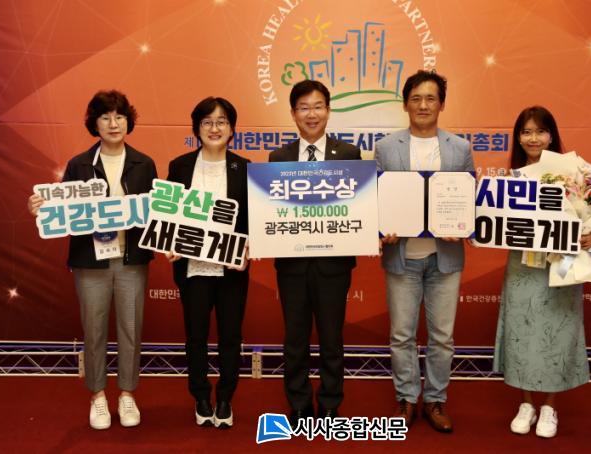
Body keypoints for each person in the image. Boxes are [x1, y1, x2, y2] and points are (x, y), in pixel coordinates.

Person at [27, 90, 157, 430]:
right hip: (90, 261)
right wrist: (42, 208)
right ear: (94, 124)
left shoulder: (144, 163)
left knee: (131, 329)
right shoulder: (79, 164)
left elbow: (156, 212)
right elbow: (62, 209)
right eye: (105, 117)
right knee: (94, 330)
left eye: (120, 117)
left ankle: (127, 394)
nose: (113, 124)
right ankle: (97, 395)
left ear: (128, 121)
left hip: (131, 259)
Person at [493, 105, 591, 438]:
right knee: (522, 333)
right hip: (522, 268)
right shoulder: (511, 180)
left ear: (552, 136)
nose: (534, 138)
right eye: (526, 132)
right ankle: (526, 404)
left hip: (561, 267)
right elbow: (496, 225)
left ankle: (550, 407)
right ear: (518, 138)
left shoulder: (576, 172)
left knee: (557, 334)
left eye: (540, 131)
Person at [375, 70, 474, 433]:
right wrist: (381, 230)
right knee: (401, 335)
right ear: (405, 104)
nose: (423, 105)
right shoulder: (386, 147)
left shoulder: (459, 148)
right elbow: (375, 200)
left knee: (442, 337)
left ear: (441, 104)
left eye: (431, 98)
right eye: (416, 98)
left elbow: (470, 199)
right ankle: (406, 398)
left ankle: (435, 399)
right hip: (402, 257)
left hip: (444, 259)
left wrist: (462, 227)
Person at [269, 79, 361, 425]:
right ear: (293, 113)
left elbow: (358, 207)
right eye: (304, 107)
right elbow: (271, 210)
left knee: (332, 338)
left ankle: (331, 402)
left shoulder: (349, 155)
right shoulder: (279, 158)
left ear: (328, 110)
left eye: (318, 106)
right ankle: (299, 402)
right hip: (292, 265)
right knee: (294, 338)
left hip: (333, 266)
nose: (312, 114)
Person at [165, 97, 250, 428]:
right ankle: (200, 396)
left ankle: (226, 398)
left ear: (232, 129)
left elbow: (254, 220)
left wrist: (247, 248)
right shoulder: (180, 166)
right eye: (207, 122)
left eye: (222, 121)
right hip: (192, 268)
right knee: (196, 337)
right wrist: (169, 242)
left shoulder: (244, 167)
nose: (215, 128)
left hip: (232, 270)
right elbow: (167, 215)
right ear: (197, 128)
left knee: (230, 337)